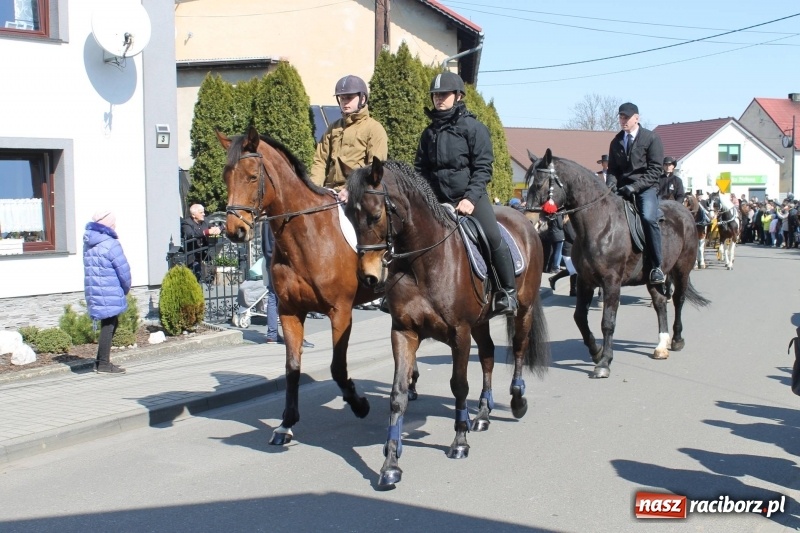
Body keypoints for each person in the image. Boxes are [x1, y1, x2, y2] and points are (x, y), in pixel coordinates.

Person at [415, 71, 518, 314]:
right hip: (437, 200)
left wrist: (470, 198)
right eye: (435, 95)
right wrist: (425, 198)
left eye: (444, 94)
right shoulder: (428, 134)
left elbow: (483, 168)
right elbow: (420, 170)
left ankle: (508, 292)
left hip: (470, 198)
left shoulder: (474, 128)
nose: (438, 99)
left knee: (492, 236)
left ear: (458, 95)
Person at [607, 102, 666, 285]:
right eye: (621, 117)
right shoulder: (616, 141)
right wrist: (610, 186)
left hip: (645, 188)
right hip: (621, 188)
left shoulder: (651, 138)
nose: (622, 120)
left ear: (637, 118)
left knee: (648, 218)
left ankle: (657, 266)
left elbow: (656, 170)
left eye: (626, 117)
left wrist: (635, 187)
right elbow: (612, 170)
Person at [310, 74, 388, 201]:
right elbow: (320, 161)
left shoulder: (374, 129)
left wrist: (351, 189)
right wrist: (313, 189)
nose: (345, 102)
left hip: (359, 194)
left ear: (362, 99)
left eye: (350, 98)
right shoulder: (333, 128)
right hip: (330, 192)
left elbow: (373, 168)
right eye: (342, 98)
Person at [83, 210, 131, 374]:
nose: (115, 225)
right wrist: (126, 288)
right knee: (109, 325)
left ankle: (99, 361)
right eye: (113, 223)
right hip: (109, 289)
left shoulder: (89, 243)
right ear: (108, 225)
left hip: (94, 290)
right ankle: (103, 363)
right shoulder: (111, 243)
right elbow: (123, 271)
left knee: (108, 324)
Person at [260, 224, 314, 348]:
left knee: (273, 296)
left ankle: (272, 334)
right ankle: (296, 336)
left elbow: (265, 246)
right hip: (281, 264)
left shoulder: (265, 222)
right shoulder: (274, 219)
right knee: (292, 298)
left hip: (271, 262)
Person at [181, 204, 220, 282]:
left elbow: (212, 226)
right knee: (196, 275)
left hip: (204, 252)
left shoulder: (205, 221)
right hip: (192, 254)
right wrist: (207, 232)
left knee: (211, 269)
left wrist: (217, 229)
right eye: (201, 212)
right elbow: (190, 235)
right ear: (193, 215)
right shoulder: (186, 223)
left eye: (203, 212)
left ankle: (208, 279)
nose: (204, 214)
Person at [548, 214, 577, 296]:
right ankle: (553, 278)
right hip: (568, 249)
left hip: (573, 249)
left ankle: (573, 290)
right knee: (573, 270)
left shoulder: (570, 221)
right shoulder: (568, 222)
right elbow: (572, 236)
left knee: (575, 271)